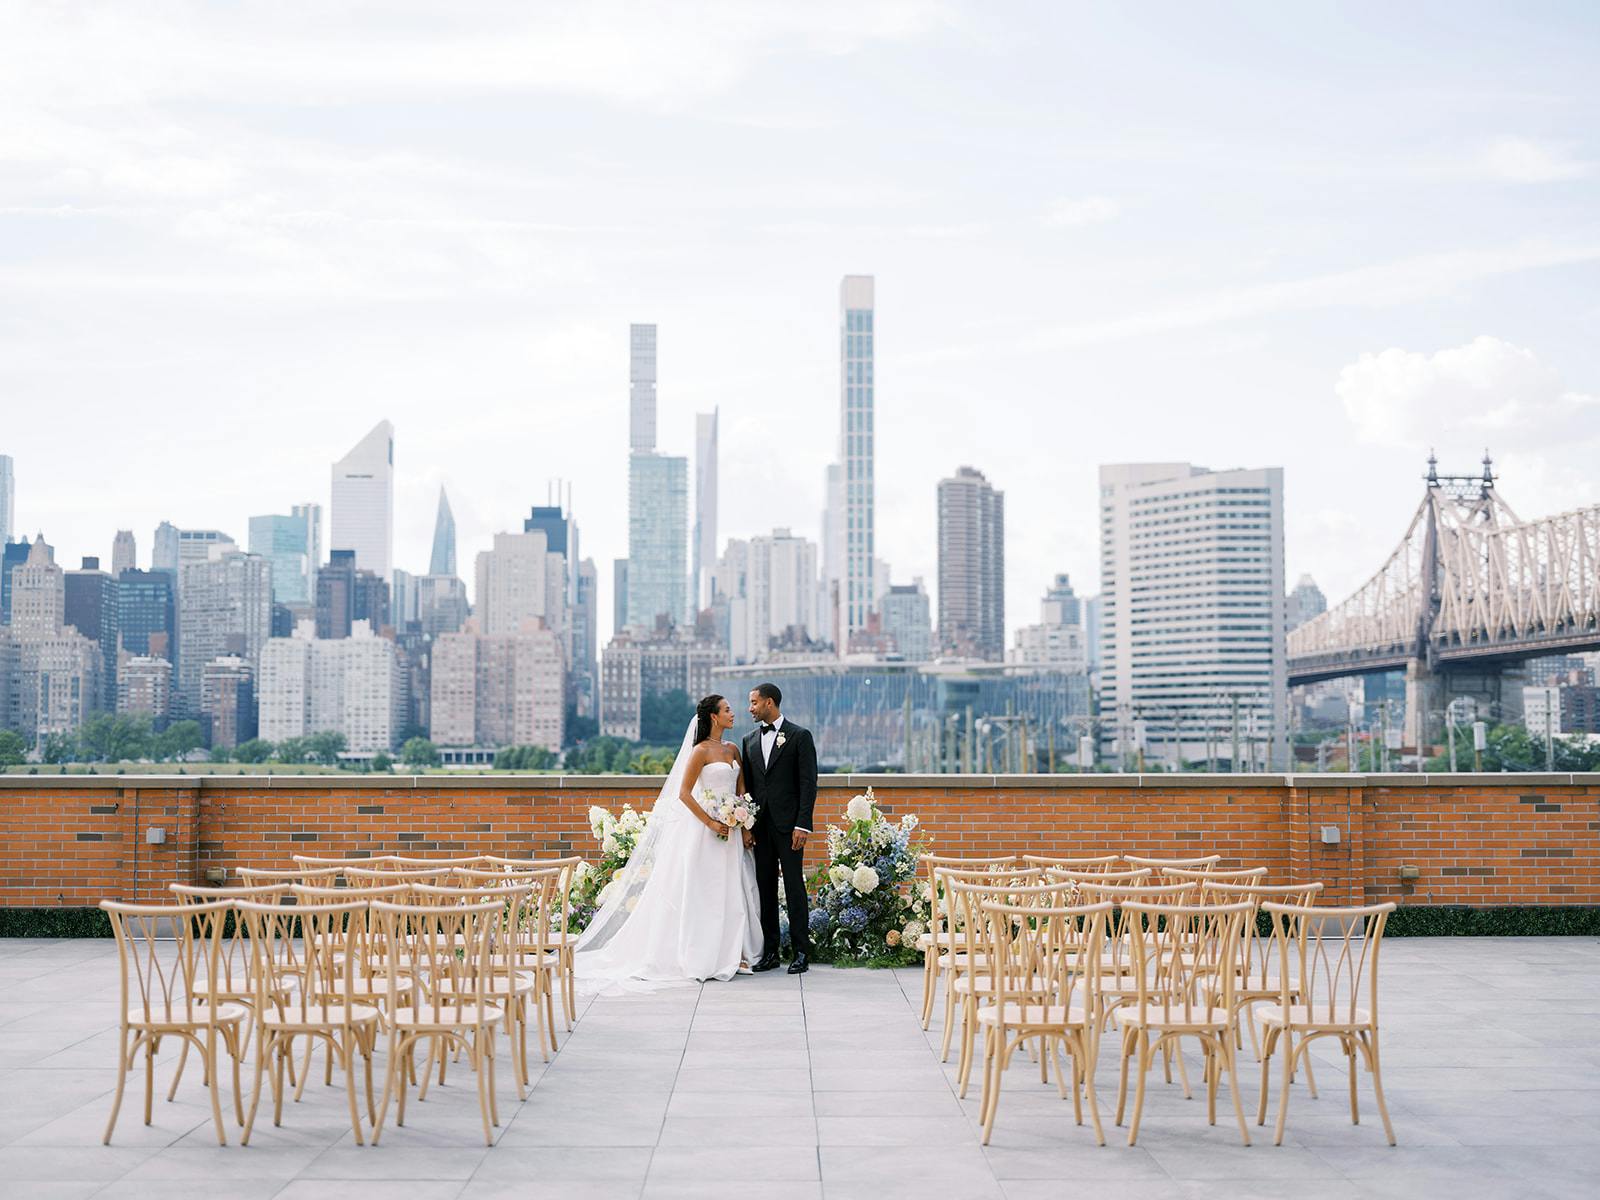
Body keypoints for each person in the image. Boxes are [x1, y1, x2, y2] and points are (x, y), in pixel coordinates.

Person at [574, 694, 763, 985]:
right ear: (714, 717)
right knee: (707, 891)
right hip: (707, 832)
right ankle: (703, 954)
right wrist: (711, 822)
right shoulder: (700, 751)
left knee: (732, 888)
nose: (733, 713)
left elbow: (741, 790)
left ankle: (733, 952)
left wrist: (743, 822)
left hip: (733, 831)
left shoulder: (733, 749)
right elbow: (684, 794)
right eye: (727, 710)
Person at [742, 682, 818, 975]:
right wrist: (747, 827)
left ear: (769, 703)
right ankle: (771, 952)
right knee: (765, 889)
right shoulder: (748, 740)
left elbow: (808, 784)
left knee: (794, 887)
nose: (750, 708)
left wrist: (803, 824)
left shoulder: (799, 736)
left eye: (754, 702)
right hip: (760, 829)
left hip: (790, 828)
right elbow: (748, 788)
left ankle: (801, 952)